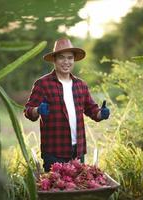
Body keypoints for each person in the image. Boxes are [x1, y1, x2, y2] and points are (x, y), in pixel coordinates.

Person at [24, 38, 110, 172]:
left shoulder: (81, 85)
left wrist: (101, 113)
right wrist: (37, 110)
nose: (66, 62)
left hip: (77, 151)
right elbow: (28, 111)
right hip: (54, 151)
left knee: (77, 188)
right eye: (61, 58)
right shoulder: (43, 84)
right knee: (55, 189)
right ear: (54, 60)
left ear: (74, 60)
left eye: (70, 58)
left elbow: (92, 110)